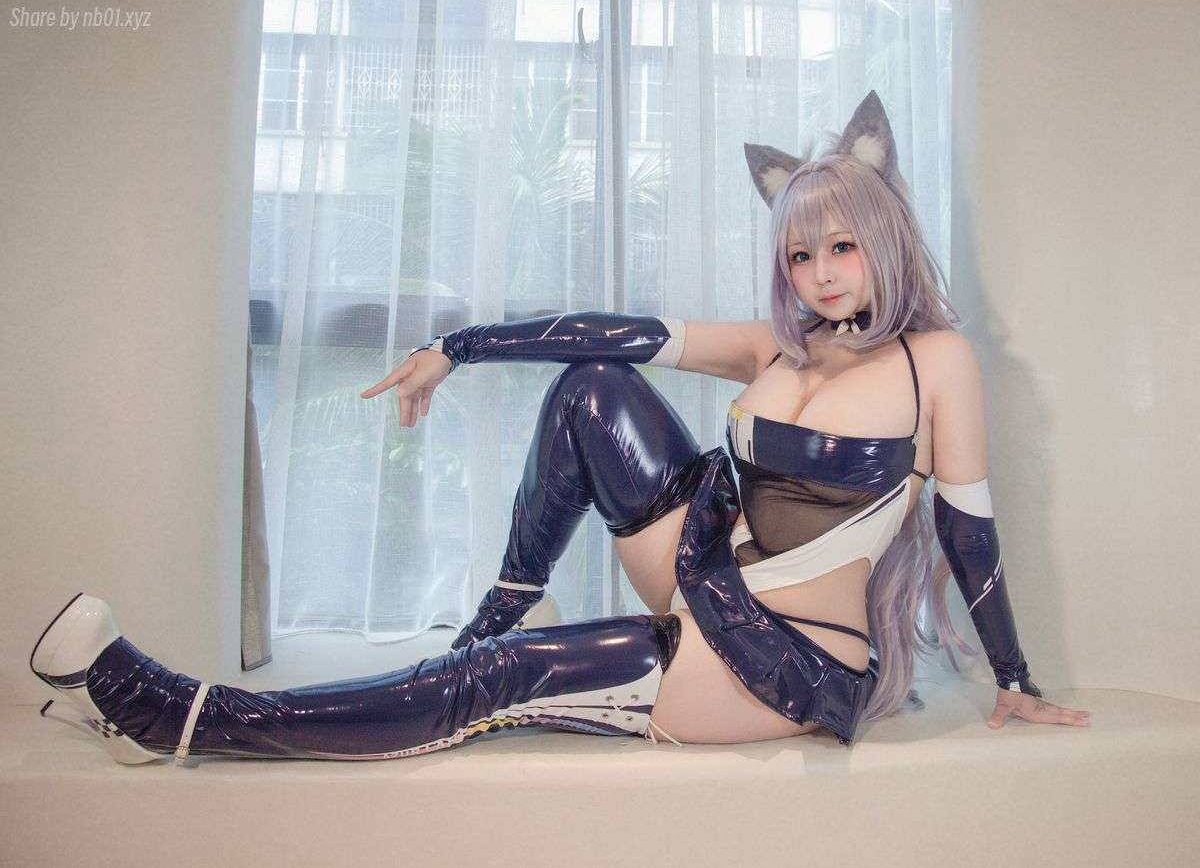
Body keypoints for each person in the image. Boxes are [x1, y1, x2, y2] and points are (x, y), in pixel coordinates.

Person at [30, 91, 1089, 766]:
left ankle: (170, 715)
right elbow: (613, 331)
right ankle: (501, 607)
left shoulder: (936, 363)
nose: (818, 274)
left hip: (787, 656)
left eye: (841, 248)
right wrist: (458, 346)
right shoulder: (778, 348)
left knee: (495, 684)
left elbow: (970, 533)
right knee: (593, 384)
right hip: (699, 569)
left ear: (885, 240)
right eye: (800, 255)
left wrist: (1015, 679)